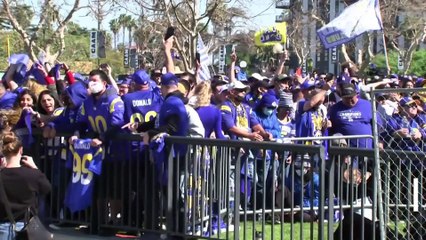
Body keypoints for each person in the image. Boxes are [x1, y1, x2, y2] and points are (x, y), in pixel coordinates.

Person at [0, 131, 51, 239]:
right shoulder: (32, 175)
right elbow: (46, 188)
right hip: (27, 227)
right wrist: (34, 167)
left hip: (2, 226)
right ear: (21, 150)